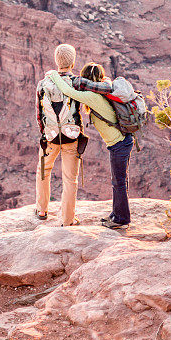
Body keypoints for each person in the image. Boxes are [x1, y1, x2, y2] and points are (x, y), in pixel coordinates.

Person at [48, 63, 133, 229]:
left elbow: (68, 92)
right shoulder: (101, 90)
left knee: (119, 182)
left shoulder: (92, 96)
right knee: (117, 181)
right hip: (119, 143)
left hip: (120, 144)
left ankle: (122, 219)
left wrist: (54, 75)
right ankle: (117, 214)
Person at [35, 44, 83, 226]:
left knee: (42, 171)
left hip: (50, 137)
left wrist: (44, 134)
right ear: (72, 61)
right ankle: (68, 219)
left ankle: (41, 210)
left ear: (56, 61)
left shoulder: (43, 83)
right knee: (70, 179)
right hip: (72, 137)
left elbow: (39, 113)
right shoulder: (76, 82)